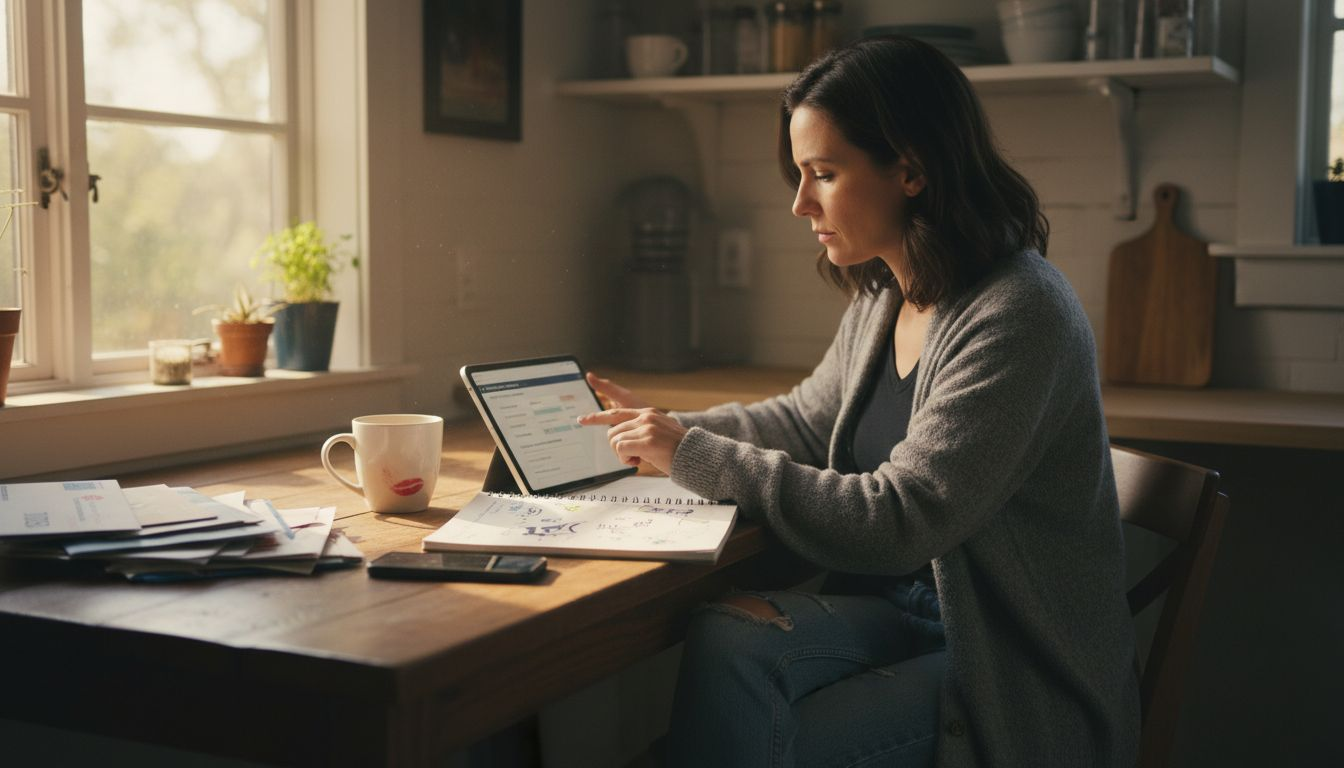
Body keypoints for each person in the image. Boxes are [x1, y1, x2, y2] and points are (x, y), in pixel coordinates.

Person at [578, 36, 1139, 768]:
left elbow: (900, 520)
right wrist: (664, 431)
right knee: (725, 641)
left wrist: (690, 455)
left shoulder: (1019, 312)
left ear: (911, 168)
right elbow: (807, 421)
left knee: (743, 743)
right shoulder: (887, 292)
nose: (799, 202)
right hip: (900, 616)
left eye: (824, 173)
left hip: (1005, 666)